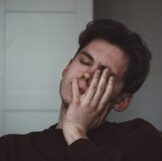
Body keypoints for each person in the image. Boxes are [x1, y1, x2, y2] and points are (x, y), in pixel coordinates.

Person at [0, 19, 162, 161]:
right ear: (67, 67)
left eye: (104, 75)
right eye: (84, 61)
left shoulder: (141, 138)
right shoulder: (10, 148)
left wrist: (75, 132)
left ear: (122, 101)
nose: (87, 74)